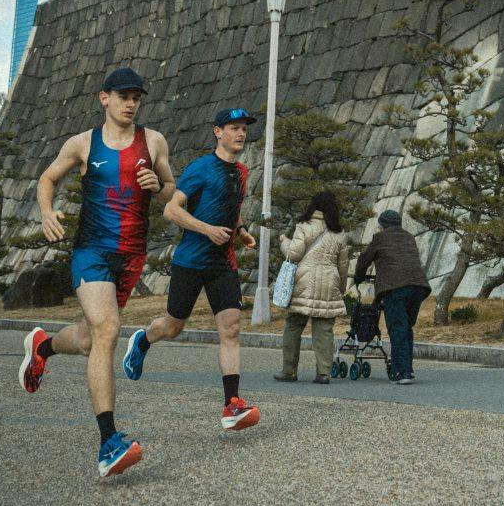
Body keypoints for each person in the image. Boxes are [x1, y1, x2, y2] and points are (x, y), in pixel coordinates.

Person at [19, 66, 175, 479]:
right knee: (108, 331)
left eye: (136, 97)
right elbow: (47, 179)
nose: (130, 103)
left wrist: (156, 186)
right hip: (92, 251)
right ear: (103, 98)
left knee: (91, 340)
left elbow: (172, 193)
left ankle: (43, 348)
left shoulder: (153, 142)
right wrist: (47, 210)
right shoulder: (82, 143)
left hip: (132, 256)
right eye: (123, 95)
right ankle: (108, 443)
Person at [123, 105, 260, 431]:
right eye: (233, 127)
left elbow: (231, 208)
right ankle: (143, 340)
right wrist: (206, 230)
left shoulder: (241, 172)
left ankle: (232, 404)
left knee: (231, 330)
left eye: (243, 128)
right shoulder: (201, 168)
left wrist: (240, 231)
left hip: (223, 263)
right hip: (190, 261)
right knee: (173, 327)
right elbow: (171, 210)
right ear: (217, 132)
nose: (240, 133)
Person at [273, 190, 349, 383]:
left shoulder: (304, 226)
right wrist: (341, 286)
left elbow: (294, 254)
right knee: (324, 329)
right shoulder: (339, 232)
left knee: (293, 325)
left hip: (304, 281)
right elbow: (343, 264)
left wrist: (284, 242)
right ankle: (323, 373)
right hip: (329, 280)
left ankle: (289, 371)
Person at [353, 207, 430, 384]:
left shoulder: (380, 238)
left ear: (382, 225)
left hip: (396, 288)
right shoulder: (409, 237)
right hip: (418, 287)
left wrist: (358, 277)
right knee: (406, 328)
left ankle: (402, 373)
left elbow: (364, 259)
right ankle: (407, 369)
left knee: (397, 329)